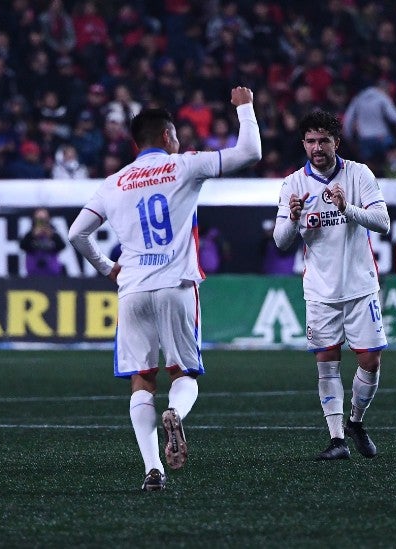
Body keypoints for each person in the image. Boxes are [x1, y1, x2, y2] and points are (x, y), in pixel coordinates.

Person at [67, 86, 261, 491]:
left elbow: (77, 234)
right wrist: (245, 109)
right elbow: (250, 153)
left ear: (137, 143)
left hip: (132, 288)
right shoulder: (184, 165)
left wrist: (106, 268)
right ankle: (175, 412)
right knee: (183, 372)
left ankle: (152, 469)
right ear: (169, 138)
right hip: (175, 284)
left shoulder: (114, 182)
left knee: (141, 379)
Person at [273, 109, 390, 461]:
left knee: (370, 360)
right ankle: (337, 438)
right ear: (303, 144)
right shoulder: (293, 184)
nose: (317, 147)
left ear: (336, 142)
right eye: (311, 141)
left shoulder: (358, 174)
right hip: (321, 292)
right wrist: (293, 219)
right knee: (327, 362)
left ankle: (356, 420)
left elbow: (382, 222)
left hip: (359, 287)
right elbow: (280, 241)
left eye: (324, 140)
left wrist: (348, 208)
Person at [20, 207, 66, 276]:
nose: (42, 222)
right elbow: (22, 246)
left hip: (52, 272)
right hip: (33, 272)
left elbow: (62, 246)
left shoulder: (53, 234)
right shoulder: (30, 235)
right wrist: (33, 235)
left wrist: (51, 235)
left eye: (44, 219)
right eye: (39, 220)